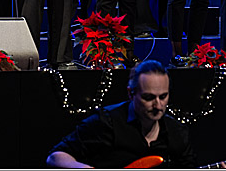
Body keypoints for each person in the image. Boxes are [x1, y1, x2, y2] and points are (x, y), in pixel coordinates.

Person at [46, 60, 197, 168]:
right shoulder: (106, 122)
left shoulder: (176, 132)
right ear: (131, 94)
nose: (158, 105)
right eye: (149, 98)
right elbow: (56, 156)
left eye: (163, 96)